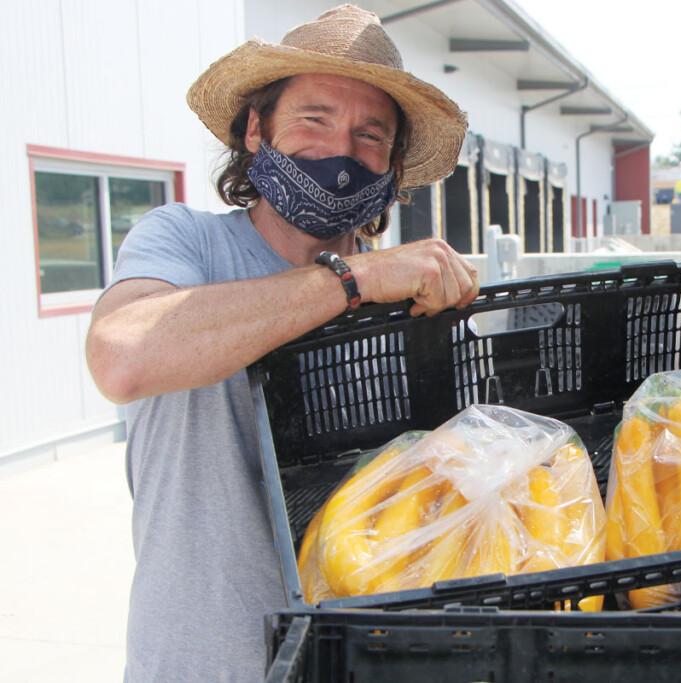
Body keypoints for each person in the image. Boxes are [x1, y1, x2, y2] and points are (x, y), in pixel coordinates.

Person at [85, 5, 479, 681]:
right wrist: (352, 279)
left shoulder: (414, 300)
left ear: (392, 165)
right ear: (255, 129)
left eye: (370, 134)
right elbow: (123, 356)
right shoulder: (184, 242)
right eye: (314, 119)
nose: (340, 151)